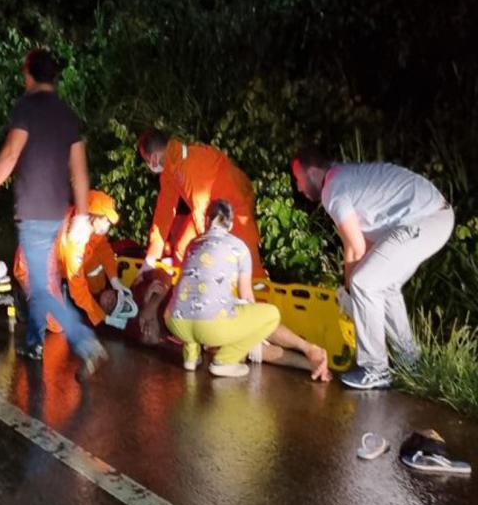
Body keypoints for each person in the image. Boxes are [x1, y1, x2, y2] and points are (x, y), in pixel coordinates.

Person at [0, 49, 107, 378]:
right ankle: (33, 341)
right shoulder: (67, 114)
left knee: (41, 286)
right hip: (57, 213)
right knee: (39, 279)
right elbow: (80, 169)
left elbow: (10, 153)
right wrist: (80, 216)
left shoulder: (27, 107)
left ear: (28, 75)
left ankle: (84, 341)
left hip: (33, 212)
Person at [291, 148, 454, 390]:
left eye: (299, 179)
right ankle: (411, 362)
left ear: (313, 172)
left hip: (425, 220)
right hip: (434, 217)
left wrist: (350, 290)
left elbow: (355, 249)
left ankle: (375, 369)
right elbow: (358, 247)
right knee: (382, 286)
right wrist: (348, 289)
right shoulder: (344, 179)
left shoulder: (333, 189)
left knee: (366, 284)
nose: (299, 188)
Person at [130, 268, 330, 380]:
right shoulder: (161, 333)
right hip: (209, 332)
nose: (145, 330)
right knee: (253, 347)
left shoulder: (151, 292)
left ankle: (307, 349)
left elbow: (162, 276)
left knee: (256, 325)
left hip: (211, 308)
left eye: (144, 322)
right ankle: (309, 363)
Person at [164, 200, 280, 377]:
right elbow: (246, 296)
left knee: (194, 297)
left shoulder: (193, 244)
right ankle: (225, 360)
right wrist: (252, 332)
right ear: (231, 224)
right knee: (272, 315)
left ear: (206, 221)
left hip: (175, 321)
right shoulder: (239, 247)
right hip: (210, 327)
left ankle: (191, 357)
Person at [137, 129, 265, 280]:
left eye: (146, 161)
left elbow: (202, 210)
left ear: (153, 158)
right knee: (182, 250)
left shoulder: (188, 164)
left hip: (235, 209)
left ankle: (260, 297)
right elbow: (164, 213)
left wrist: (208, 254)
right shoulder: (172, 167)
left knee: (248, 265)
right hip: (210, 212)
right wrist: (151, 257)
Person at [13, 190, 131, 331]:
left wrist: (114, 280)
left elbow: (103, 249)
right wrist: (102, 317)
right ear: (94, 217)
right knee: (58, 325)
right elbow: (78, 290)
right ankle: (25, 298)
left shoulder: (88, 224)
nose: (108, 226)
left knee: (93, 264)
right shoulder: (74, 242)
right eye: (106, 220)